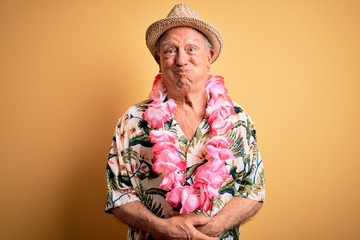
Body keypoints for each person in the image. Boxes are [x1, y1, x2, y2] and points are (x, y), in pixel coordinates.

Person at [105, 3, 265, 240]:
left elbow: (254, 190)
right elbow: (118, 195)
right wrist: (162, 228)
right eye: (170, 50)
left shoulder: (238, 119)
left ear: (209, 57)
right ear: (159, 60)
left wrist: (213, 227)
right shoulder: (132, 120)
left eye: (191, 49)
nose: (181, 60)